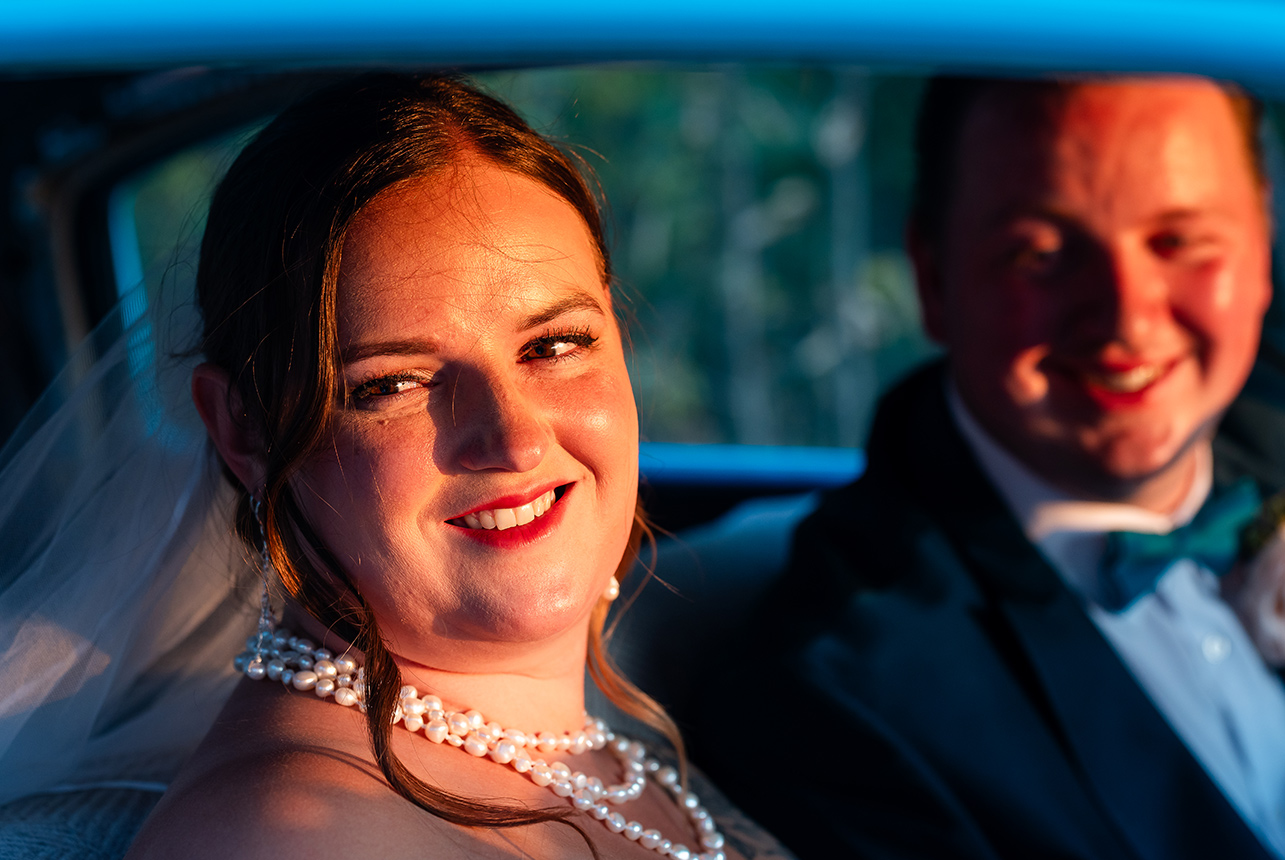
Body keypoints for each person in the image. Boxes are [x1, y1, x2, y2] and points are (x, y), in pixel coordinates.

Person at [0, 73, 792, 860]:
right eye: (392, 384)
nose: (513, 439)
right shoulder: (290, 837)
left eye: (553, 346)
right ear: (243, 431)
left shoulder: (598, 747)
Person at [696, 75, 1285, 859]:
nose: (1127, 317)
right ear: (933, 279)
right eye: (1040, 255)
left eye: (1177, 241)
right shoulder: (833, 704)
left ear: (1262, 242)